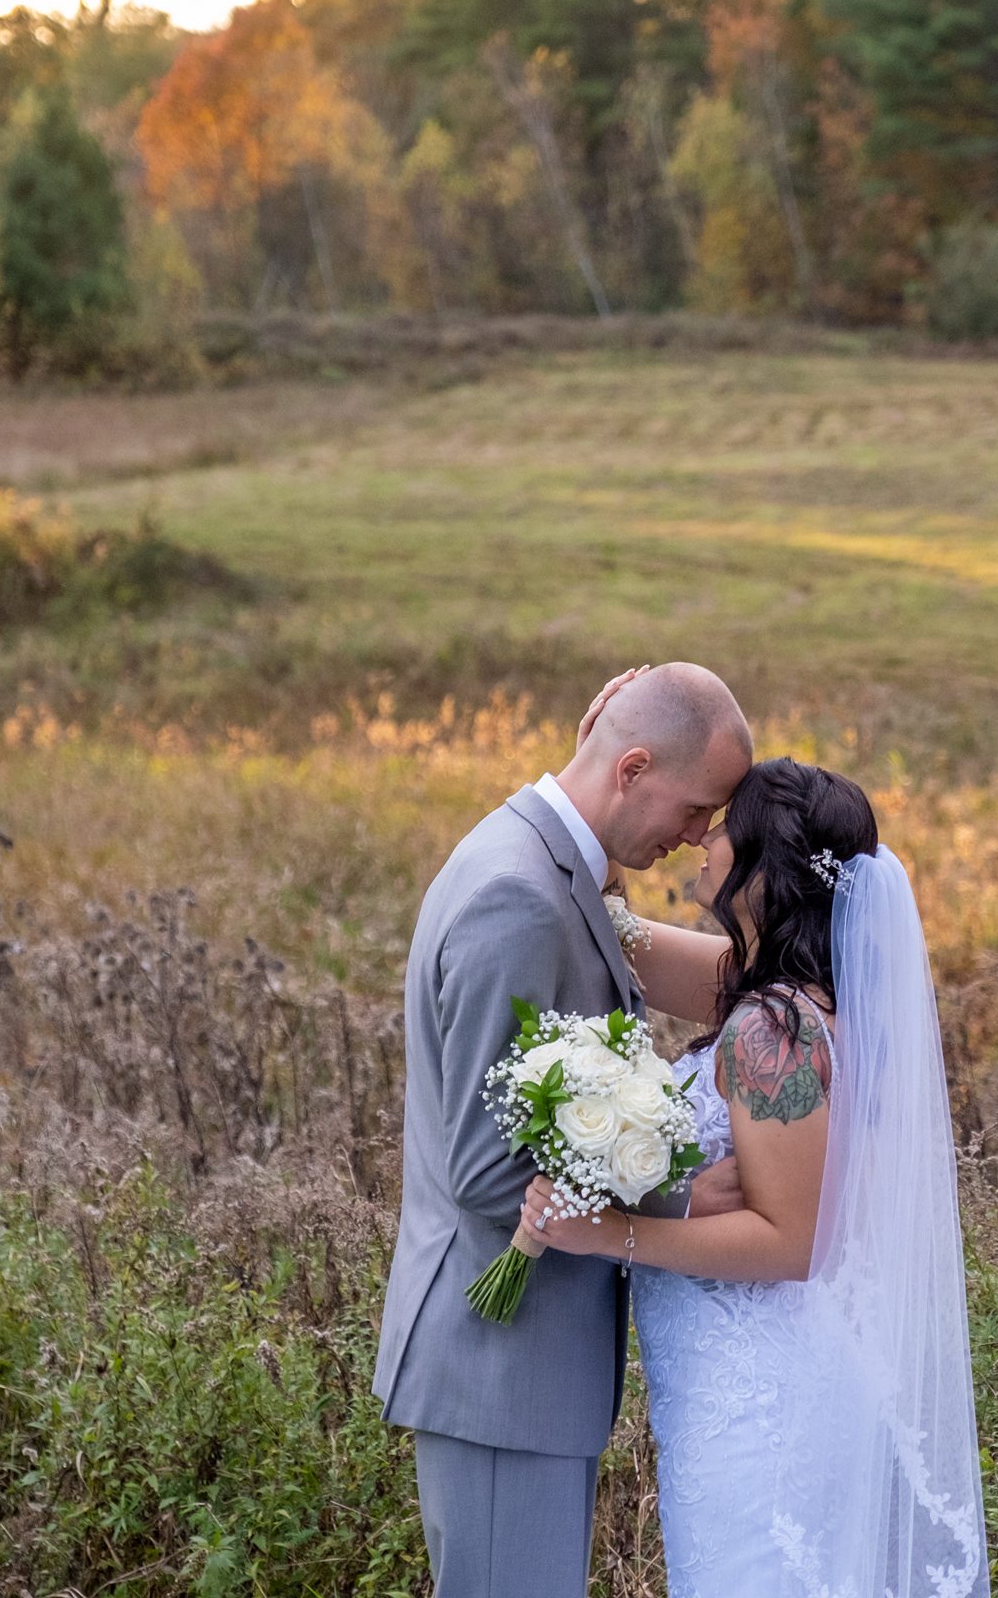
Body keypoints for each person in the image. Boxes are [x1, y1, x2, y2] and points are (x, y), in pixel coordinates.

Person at [524, 750, 992, 1598]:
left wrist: (610, 1231)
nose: (699, 836)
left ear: (765, 868)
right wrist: (592, 772)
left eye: (720, 826)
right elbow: (618, 938)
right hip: (750, 1382)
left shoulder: (772, 1029)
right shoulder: (792, 994)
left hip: (762, 1407)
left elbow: (789, 1243)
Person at [373, 661, 752, 1598]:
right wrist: (677, 1195)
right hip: (500, 1366)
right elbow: (485, 1168)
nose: (699, 836)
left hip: (520, 1374)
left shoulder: (550, 865)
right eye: (698, 809)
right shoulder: (520, 896)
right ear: (631, 768)